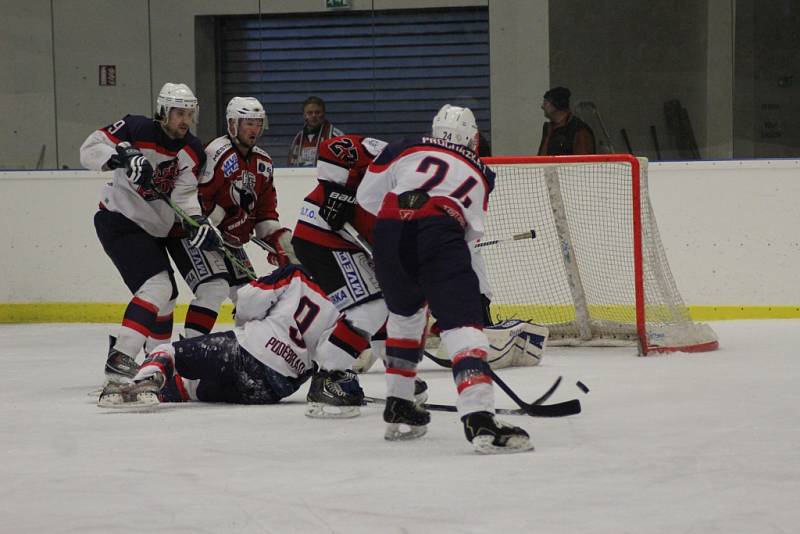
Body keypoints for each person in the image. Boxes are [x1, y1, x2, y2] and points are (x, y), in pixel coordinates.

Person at [357, 104, 533, 454]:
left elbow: (367, 197)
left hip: (390, 228)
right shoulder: (483, 171)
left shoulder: (405, 146)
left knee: (405, 316)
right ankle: (479, 416)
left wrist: (402, 225)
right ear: (474, 138)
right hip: (439, 226)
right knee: (462, 324)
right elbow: (469, 233)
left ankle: (399, 404)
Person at [80, 82, 220, 383]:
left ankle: (154, 365)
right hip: (119, 218)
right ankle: (122, 358)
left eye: (189, 113)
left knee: (166, 298)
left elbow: (183, 197)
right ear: (162, 112)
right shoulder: (135, 128)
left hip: (153, 229)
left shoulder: (192, 150)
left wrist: (199, 222)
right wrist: (122, 157)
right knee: (159, 288)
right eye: (178, 112)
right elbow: (89, 149)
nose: (184, 120)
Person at [97, 264, 365, 417]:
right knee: (192, 387)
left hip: (243, 352)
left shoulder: (295, 274)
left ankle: (137, 385)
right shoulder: (349, 307)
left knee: (169, 351)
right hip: (274, 388)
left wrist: (245, 326)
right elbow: (331, 356)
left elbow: (248, 299)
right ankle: (166, 388)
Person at [166, 96, 298, 339]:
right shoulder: (216, 152)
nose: (254, 129)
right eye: (248, 123)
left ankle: (253, 353)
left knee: (251, 298)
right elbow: (196, 196)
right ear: (232, 124)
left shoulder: (263, 162)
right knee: (214, 288)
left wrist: (279, 241)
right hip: (198, 233)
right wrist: (218, 220)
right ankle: (189, 352)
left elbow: (265, 212)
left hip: (229, 241)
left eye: (258, 123)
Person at [536, 86, 596, 155]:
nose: (542, 107)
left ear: (555, 105)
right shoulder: (549, 129)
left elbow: (582, 162)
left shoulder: (579, 130)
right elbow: (542, 159)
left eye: (545, 103)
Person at [287, 96, 344, 167]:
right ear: (304, 115)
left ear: (323, 113)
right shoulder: (298, 138)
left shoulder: (336, 137)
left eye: (317, 112)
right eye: (310, 113)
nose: (314, 115)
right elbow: (291, 165)